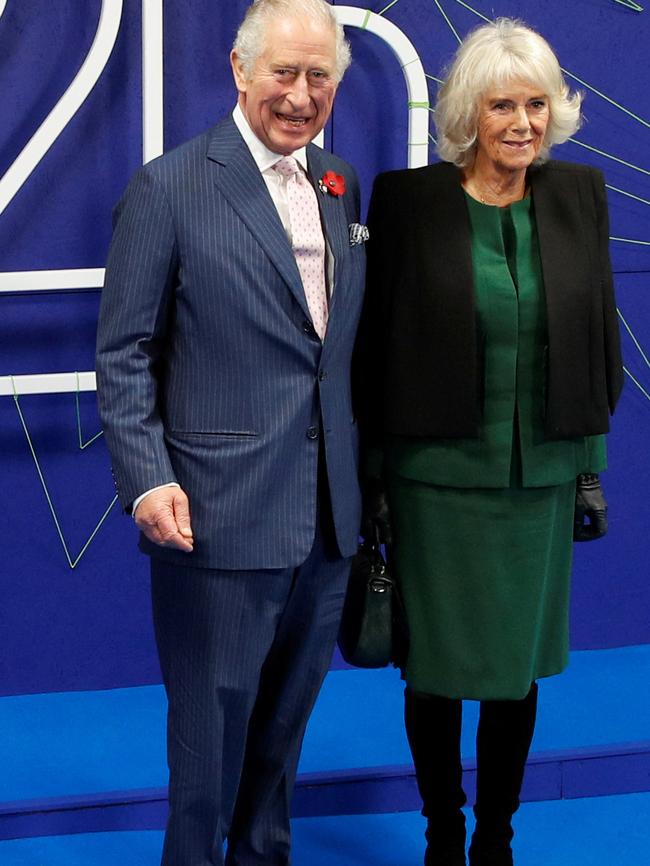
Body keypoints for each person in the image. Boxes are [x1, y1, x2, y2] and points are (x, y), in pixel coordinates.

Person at [96, 1, 366, 863]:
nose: (300, 93)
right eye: (283, 72)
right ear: (239, 69)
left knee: (281, 745)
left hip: (327, 522)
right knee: (207, 754)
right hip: (214, 520)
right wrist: (147, 477)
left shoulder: (340, 182)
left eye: (319, 76)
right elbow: (125, 353)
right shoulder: (168, 186)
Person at [356, 18, 623, 866]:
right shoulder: (407, 201)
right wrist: (376, 483)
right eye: (502, 104)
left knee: (516, 668)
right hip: (436, 480)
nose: (522, 123)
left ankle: (497, 841)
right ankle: (443, 833)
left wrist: (588, 470)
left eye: (537, 104)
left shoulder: (580, 194)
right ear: (469, 112)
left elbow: (598, 340)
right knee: (433, 667)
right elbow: (375, 349)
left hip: (539, 478)